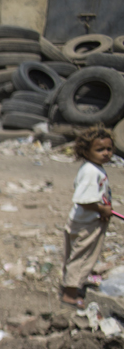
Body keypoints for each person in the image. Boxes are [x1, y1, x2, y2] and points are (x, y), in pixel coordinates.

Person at [61, 126, 114, 308]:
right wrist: (102, 210)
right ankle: (70, 295)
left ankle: (73, 286)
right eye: (100, 150)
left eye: (109, 149)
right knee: (82, 257)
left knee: (76, 255)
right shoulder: (91, 171)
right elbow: (83, 200)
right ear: (85, 151)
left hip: (85, 220)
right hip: (87, 223)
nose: (106, 153)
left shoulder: (95, 168)